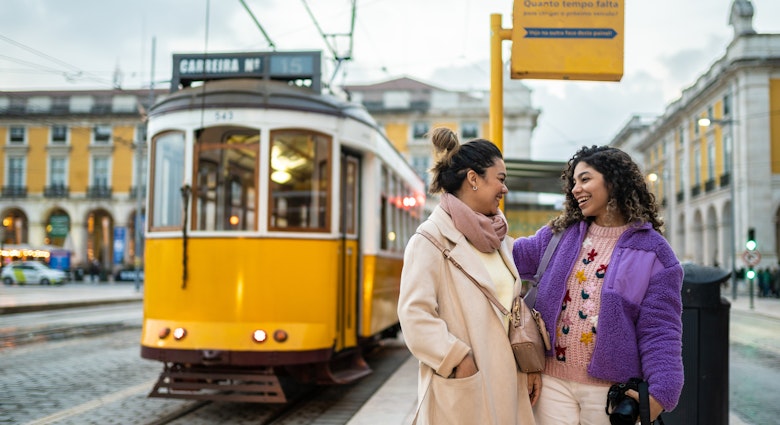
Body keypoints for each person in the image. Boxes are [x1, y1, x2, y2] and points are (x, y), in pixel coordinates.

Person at [512, 145, 683, 424]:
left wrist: (661, 394)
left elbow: (660, 329)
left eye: (585, 179)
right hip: (551, 381)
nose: (576, 189)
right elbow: (512, 257)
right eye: (574, 182)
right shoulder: (560, 235)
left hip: (610, 391)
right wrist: (488, 222)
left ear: (613, 181)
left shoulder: (654, 252)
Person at [398, 127, 538, 425]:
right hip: (466, 385)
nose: (505, 189)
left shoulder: (500, 240)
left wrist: (529, 364)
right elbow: (414, 315)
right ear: (473, 178)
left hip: (508, 383)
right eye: (500, 179)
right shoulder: (430, 240)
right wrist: (458, 359)